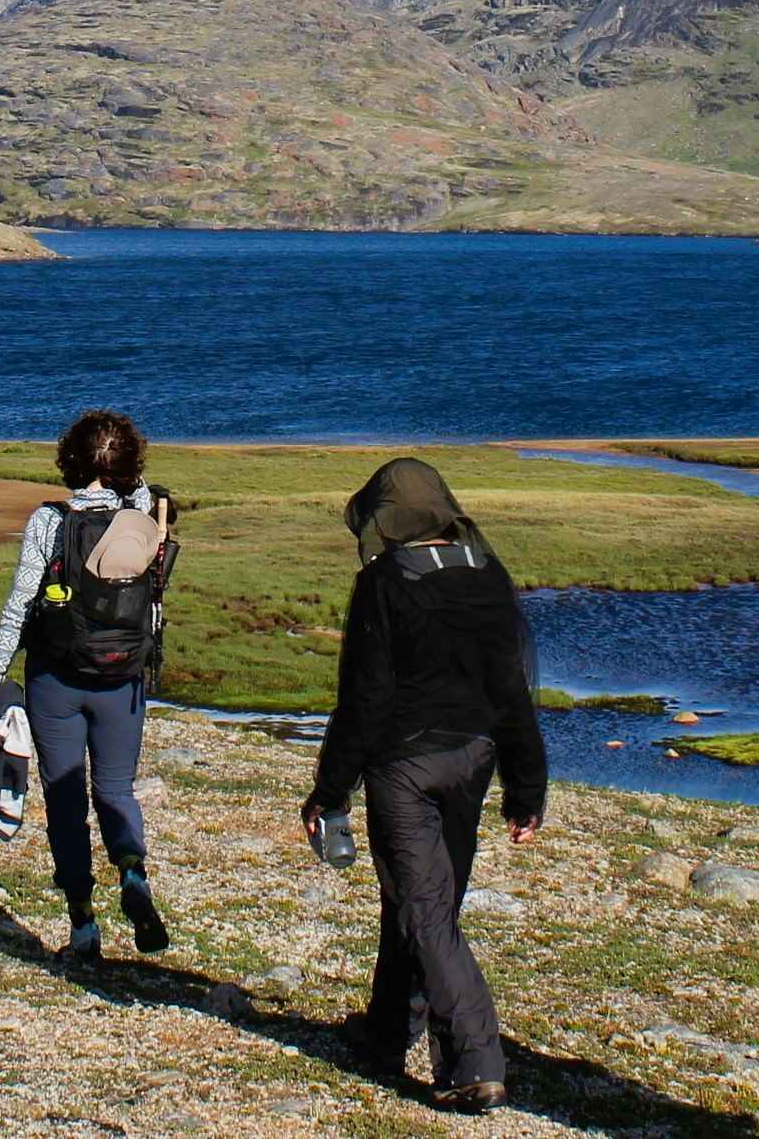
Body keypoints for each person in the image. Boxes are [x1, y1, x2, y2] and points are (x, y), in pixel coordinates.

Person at [301, 457, 547, 1114]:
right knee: (419, 902)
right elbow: (510, 690)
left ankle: (476, 1063)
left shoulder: (383, 582)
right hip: (475, 758)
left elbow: (362, 698)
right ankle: (386, 1035)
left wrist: (329, 793)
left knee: (424, 910)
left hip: (403, 767)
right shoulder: (487, 575)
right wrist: (526, 789)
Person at [0, 408, 173, 962]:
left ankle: (83, 925)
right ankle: (133, 875)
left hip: (55, 679)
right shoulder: (143, 516)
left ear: (69, 459)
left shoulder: (49, 522)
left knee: (66, 799)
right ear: (130, 463)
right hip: (123, 678)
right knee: (116, 790)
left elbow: (20, 603)